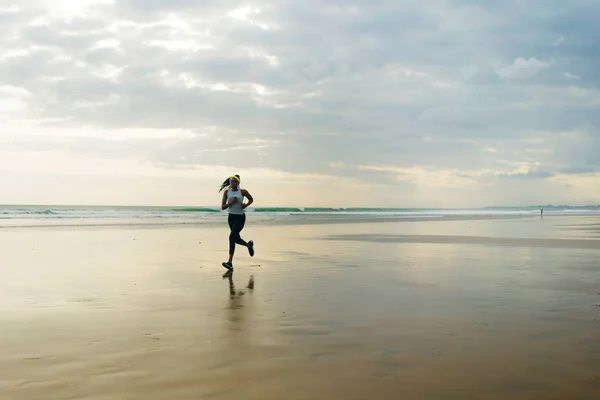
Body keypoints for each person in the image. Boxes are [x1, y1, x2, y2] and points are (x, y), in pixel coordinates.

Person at [219, 175, 254, 271]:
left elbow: (251, 199)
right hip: (231, 217)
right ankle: (248, 245)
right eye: (231, 181)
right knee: (236, 239)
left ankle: (230, 262)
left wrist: (245, 205)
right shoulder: (227, 192)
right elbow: (223, 207)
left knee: (231, 237)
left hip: (240, 218)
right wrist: (231, 203)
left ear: (238, 183)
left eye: (234, 181)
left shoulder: (243, 192)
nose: (232, 183)